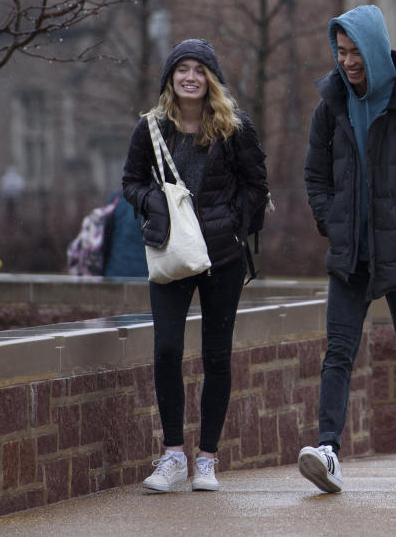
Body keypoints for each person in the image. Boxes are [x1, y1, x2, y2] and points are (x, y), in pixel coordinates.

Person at [298, 4, 396, 493]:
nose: (347, 62)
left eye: (355, 53)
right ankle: (328, 450)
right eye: (340, 52)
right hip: (352, 253)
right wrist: (331, 221)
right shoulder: (331, 104)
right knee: (338, 353)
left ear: (374, 49)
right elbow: (315, 174)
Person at [121, 38, 269, 493]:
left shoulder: (234, 127)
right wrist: (154, 204)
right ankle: (172, 456)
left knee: (216, 356)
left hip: (222, 258)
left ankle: (207, 458)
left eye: (199, 69)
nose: (190, 77)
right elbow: (130, 182)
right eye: (182, 69)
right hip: (171, 253)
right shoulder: (151, 128)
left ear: (211, 79)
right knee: (166, 350)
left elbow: (256, 184)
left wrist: (237, 227)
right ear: (170, 78)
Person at [102, 193, 148, 278]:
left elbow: (105, 241)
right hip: (149, 275)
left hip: (116, 273)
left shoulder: (116, 199)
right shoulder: (161, 196)